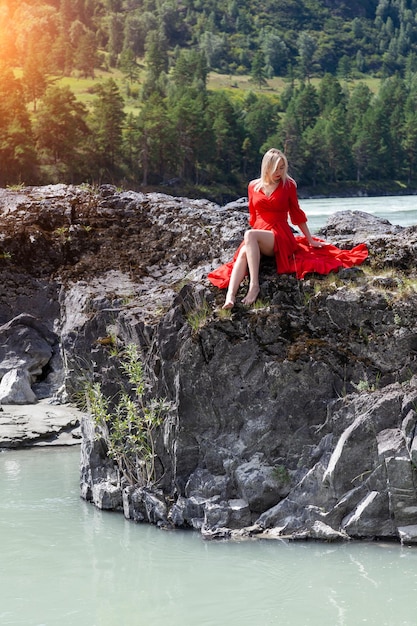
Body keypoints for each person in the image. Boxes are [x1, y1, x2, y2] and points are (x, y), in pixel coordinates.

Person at [208, 148, 368, 309]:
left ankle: (254, 286)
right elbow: (254, 216)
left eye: (282, 167)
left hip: (280, 235)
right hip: (260, 235)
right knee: (244, 251)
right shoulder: (253, 186)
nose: (279, 172)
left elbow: (296, 215)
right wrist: (253, 242)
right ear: (266, 167)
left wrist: (310, 239)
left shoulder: (288, 185)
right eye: (276, 168)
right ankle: (230, 297)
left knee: (249, 235)